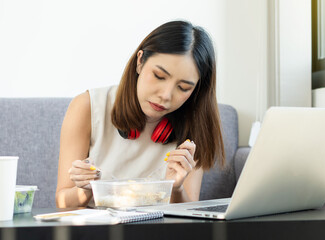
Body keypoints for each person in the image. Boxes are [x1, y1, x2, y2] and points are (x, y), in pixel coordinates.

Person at [55, 20, 225, 208]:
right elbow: (63, 203)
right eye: (159, 76)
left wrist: (176, 188)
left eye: (183, 87)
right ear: (140, 62)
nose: (166, 95)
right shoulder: (87, 106)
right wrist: (85, 189)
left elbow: (188, 216)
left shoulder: (195, 124)